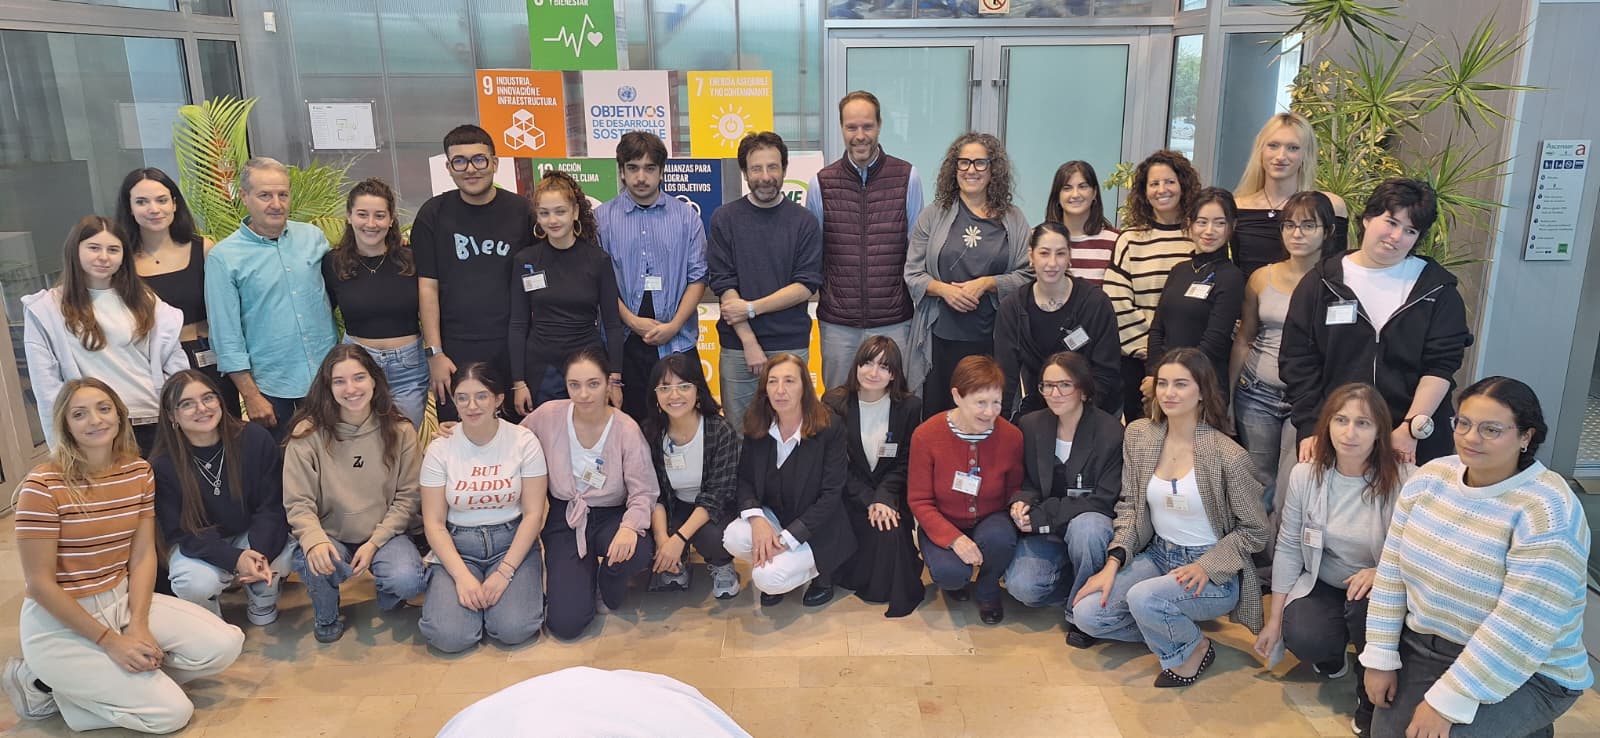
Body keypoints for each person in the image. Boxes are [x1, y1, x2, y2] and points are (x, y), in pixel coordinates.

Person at [2, 379, 243, 733]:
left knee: (225, 644)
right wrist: (111, 642)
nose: (95, 420)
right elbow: (39, 585)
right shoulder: (43, 486)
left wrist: (139, 624)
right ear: (65, 424)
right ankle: (48, 686)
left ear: (119, 415)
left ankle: (110, 685)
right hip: (60, 622)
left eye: (104, 409)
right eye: (79, 414)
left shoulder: (138, 472)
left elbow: (143, 555)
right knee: (172, 714)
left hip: (121, 602)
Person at [1361, 377, 1591, 738]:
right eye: (1464, 423)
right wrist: (1380, 656)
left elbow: (1520, 628)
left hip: (1533, 666)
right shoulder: (1430, 479)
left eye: (1491, 429)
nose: (1471, 438)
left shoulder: (1548, 511)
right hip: (1429, 645)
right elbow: (1391, 573)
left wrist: (1446, 702)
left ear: (1526, 436)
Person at [1072, 348, 1267, 687]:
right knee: (1088, 615)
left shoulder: (1229, 456)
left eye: (1181, 384)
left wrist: (1207, 566)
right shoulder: (1140, 435)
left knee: (1143, 598)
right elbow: (1131, 506)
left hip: (1209, 570)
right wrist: (1113, 563)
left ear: (1202, 391)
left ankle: (1192, 649)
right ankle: (1181, 632)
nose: (1168, 393)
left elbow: (1255, 530)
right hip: (1158, 554)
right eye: (1162, 383)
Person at [1252, 383, 1411, 737]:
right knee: (1303, 634)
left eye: (1363, 423)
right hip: (1324, 580)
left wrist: (1382, 572)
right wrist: (1274, 620)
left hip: (1379, 586)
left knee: (1365, 608)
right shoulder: (1305, 474)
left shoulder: (1404, 478)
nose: (1349, 432)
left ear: (1380, 431)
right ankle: (1332, 657)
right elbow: (1289, 546)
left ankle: (1368, 696)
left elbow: (1420, 547)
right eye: (1341, 420)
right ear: (1327, 424)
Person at [1281, 178, 1472, 466]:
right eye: (1391, 222)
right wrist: (1311, 426)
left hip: (1412, 437)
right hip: (1338, 433)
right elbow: (1298, 360)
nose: (1396, 236)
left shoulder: (1436, 289)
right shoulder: (1322, 282)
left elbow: (1441, 367)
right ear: (1368, 218)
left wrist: (1410, 428)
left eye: (1409, 231)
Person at [282, 345, 427, 644]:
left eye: (359, 377)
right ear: (327, 387)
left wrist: (374, 542)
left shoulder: (400, 430)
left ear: (374, 380)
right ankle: (326, 614)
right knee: (312, 560)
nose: (351, 389)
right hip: (331, 535)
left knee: (408, 580)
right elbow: (298, 502)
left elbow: (408, 498)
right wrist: (314, 540)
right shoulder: (307, 434)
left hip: (384, 533)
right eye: (339, 381)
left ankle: (388, 592)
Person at [520, 348, 659, 639]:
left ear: (609, 384)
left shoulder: (626, 429)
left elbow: (644, 490)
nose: (583, 394)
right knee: (565, 625)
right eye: (575, 385)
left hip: (612, 515)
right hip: (566, 516)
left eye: (593, 384)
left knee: (636, 551)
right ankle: (579, 579)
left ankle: (605, 584)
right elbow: (510, 440)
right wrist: (459, 430)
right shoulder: (548, 416)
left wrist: (629, 527)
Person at [23, 216, 188, 452]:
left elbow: (175, 363)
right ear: (75, 251)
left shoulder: (146, 300)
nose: (104, 257)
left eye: (113, 249)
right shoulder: (47, 308)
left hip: (152, 421)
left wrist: (182, 414)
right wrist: (60, 449)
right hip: (95, 429)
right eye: (93, 248)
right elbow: (46, 387)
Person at [418, 364, 549, 653]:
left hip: (511, 542)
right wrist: (461, 577)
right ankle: (463, 601)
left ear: (498, 399)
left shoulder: (523, 441)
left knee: (514, 629)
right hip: (459, 545)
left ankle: (507, 598)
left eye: (481, 396)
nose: (471, 406)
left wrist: (504, 572)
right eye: (462, 398)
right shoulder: (440, 448)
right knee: (450, 637)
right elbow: (434, 523)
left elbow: (533, 515)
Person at [205, 157, 338, 442]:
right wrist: (251, 395)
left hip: (327, 380)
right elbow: (226, 336)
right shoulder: (224, 257)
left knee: (335, 461)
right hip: (271, 390)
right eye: (265, 195)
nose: (276, 204)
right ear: (244, 197)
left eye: (282, 194)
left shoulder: (313, 238)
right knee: (281, 464)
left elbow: (344, 285)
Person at [151, 369, 293, 626]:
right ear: (172, 415)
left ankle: (262, 599)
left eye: (208, 398)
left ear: (220, 400)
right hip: (200, 544)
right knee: (193, 582)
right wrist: (233, 559)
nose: (202, 408)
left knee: (285, 555)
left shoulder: (253, 438)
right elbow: (181, 532)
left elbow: (271, 505)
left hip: (248, 534)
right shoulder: (163, 465)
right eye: (187, 404)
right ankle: (210, 620)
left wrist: (257, 554)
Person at [805, 90, 926, 389]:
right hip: (838, 325)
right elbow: (814, 254)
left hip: (895, 322)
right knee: (837, 403)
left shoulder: (907, 177)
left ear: (879, 125)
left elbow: (916, 250)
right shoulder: (821, 183)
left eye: (867, 126)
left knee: (895, 401)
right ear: (841, 128)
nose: (860, 136)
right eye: (851, 127)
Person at [904, 132, 1032, 411]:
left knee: (985, 412)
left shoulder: (1013, 219)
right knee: (939, 414)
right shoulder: (933, 215)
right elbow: (913, 273)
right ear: (954, 167)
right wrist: (944, 290)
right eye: (964, 162)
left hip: (991, 339)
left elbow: (1027, 275)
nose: (971, 170)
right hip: (939, 338)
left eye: (980, 163)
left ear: (993, 169)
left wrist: (988, 283)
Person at [416, 124, 534, 422]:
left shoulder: (522, 211)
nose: (470, 169)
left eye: (479, 159)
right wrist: (434, 353)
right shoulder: (433, 214)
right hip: (454, 352)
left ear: (494, 163)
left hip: (513, 348)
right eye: (460, 161)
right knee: (457, 436)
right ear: (448, 167)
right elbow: (427, 287)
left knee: (517, 435)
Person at [705, 131, 823, 427]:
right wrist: (749, 341)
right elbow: (724, 285)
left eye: (773, 167)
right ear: (745, 172)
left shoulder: (804, 222)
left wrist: (751, 308)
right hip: (738, 347)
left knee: (790, 428)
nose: (765, 176)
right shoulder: (724, 219)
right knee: (741, 431)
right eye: (756, 168)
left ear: (784, 169)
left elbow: (805, 286)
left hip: (789, 343)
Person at [1005, 352, 1121, 647]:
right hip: (1046, 529)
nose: (1054, 394)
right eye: (1047, 385)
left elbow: (1104, 499)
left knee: (1089, 529)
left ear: (1083, 389)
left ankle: (1081, 614)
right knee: (1023, 588)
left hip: (1084, 524)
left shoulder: (1110, 432)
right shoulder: (1030, 424)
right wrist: (1021, 501)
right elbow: (1025, 480)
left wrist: (1042, 516)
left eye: (1064, 385)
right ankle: (1075, 581)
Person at [1230, 191, 1335, 514]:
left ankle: (1283, 548)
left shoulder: (1337, 281)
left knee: (1294, 481)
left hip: (1306, 399)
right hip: (1256, 392)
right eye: (1290, 225)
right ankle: (1254, 544)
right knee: (1258, 480)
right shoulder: (1262, 277)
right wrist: (1228, 397)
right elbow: (1244, 339)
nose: (1297, 234)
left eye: (1308, 225)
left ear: (1328, 231)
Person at [723, 353, 855, 608]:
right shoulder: (757, 422)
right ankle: (777, 564)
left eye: (789, 381)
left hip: (818, 528)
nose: (780, 390)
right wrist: (758, 520)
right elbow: (745, 479)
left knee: (768, 578)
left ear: (805, 386)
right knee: (733, 537)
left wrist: (786, 540)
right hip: (775, 516)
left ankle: (821, 574)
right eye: (772, 381)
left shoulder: (830, 427)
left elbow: (831, 495)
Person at [597, 131, 708, 421]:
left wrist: (674, 325)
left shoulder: (686, 217)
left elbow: (698, 278)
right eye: (633, 168)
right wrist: (632, 321)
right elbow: (600, 284)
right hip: (623, 344)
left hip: (677, 341)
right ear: (621, 171)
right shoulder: (602, 220)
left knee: (685, 424)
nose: (641, 177)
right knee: (629, 425)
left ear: (661, 171)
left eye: (649, 168)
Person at [907, 355, 1023, 625]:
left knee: (1000, 539)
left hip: (991, 517)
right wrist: (954, 539)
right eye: (980, 402)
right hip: (943, 519)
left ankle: (988, 588)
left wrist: (1019, 508)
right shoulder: (926, 435)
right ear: (957, 396)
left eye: (996, 402)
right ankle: (957, 582)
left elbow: (1014, 490)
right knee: (950, 574)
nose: (990, 412)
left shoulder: (1012, 436)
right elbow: (919, 500)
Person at [117, 167, 238, 418]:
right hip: (155, 366)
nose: (154, 209)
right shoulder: (121, 261)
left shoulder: (204, 249)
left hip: (209, 358)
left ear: (174, 204)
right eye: (142, 202)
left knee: (225, 429)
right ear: (129, 208)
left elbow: (228, 312)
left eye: (161, 200)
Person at [821, 337, 924, 617]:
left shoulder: (909, 407)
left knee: (891, 529)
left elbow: (906, 461)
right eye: (867, 363)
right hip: (848, 495)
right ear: (856, 365)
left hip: (890, 494)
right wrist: (869, 500)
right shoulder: (834, 402)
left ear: (894, 374)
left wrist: (883, 498)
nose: (873, 372)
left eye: (884, 366)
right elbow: (834, 465)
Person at [509, 170, 625, 410]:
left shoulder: (598, 260)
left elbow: (613, 324)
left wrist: (615, 379)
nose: (552, 220)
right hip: (542, 369)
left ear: (575, 212)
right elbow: (518, 324)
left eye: (560, 211)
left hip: (589, 365)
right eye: (544, 213)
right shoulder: (525, 261)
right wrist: (518, 382)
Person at [1101, 150, 1200, 422]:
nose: (1161, 189)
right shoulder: (1129, 239)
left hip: (1190, 363)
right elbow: (1117, 304)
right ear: (1144, 192)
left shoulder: (1199, 237)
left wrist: (1176, 358)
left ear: (1183, 185)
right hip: (1138, 363)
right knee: (1142, 435)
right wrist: (1156, 357)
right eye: (1153, 184)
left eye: (1169, 182)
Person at [322, 177, 428, 428]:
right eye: (362, 214)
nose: (371, 224)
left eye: (379, 215)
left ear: (391, 220)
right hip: (356, 368)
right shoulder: (333, 263)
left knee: (404, 440)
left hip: (408, 370)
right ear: (349, 216)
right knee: (361, 441)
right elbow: (322, 316)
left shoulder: (412, 259)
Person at [994, 221, 1120, 420]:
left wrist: (1075, 417)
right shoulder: (1012, 308)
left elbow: (1106, 371)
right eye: (1044, 253)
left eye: (1060, 253)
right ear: (1031, 256)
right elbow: (1006, 377)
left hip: (1093, 408)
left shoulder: (1096, 303)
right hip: (1040, 408)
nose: (1052, 263)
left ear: (1069, 256)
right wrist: (1000, 425)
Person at [642, 353, 742, 599]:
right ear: (655, 395)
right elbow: (653, 493)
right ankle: (676, 561)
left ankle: (722, 564)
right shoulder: (650, 433)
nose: (674, 395)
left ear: (698, 391)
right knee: (647, 537)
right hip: (674, 506)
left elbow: (716, 496)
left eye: (684, 386)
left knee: (714, 537)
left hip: (714, 509)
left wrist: (678, 538)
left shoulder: (719, 430)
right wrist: (663, 539)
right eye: (665, 388)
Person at [1146, 187, 1245, 399]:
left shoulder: (1232, 277)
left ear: (1232, 226)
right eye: (1202, 222)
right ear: (1190, 224)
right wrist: (1156, 376)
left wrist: (1175, 380)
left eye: (1219, 223)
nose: (1209, 231)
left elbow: (1214, 341)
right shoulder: (1179, 270)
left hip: (1204, 386)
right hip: (1165, 386)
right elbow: (1157, 329)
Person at [1230, 112, 1349, 277]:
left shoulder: (1332, 206)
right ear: (1260, 151)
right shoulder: (1236, 207)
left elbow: (1336, 270)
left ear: (1305, 154)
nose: (1281, 156)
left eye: (1293, 148)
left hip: (1309, 293)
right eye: (1273, 145)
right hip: (1248, 293)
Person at [1042, 160, 1119, 286]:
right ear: (1057, 196)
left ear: (1094, 193)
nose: (1075, 194)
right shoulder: (1038, 239)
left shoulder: (1115, 241)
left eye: (1083, 187)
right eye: (1067, 188)